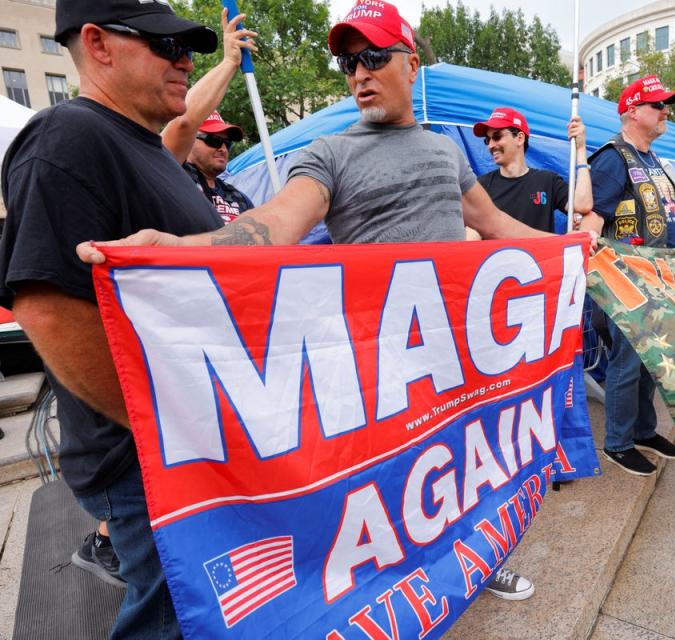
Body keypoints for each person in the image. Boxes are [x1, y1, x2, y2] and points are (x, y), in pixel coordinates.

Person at [78, 0, 581, 602]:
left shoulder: (448, 152)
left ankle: (479, 555)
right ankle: (400, 587)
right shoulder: (329, 153)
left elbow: (496, 223)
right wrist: (181, 249)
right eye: (347, 63)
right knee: (398, 487)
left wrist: (571, 248)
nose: (359, 73)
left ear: (409, 62)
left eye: (372, 56)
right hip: (385, 368)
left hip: (460, 360)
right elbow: (277, 224)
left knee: (464, 471)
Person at [0, 0, 226, 636]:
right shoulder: (70, 135)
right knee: (172, 618)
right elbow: (43, 307)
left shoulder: (145, 145)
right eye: (165, 45)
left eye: (189, 47)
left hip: (184, 447)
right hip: (150, 461)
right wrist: (158, 430)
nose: (185, 60)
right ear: (97, 44)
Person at [576, 74, 675, 476]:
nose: (666, 111)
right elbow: (592, 213)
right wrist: (587, 241)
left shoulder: (651, 160)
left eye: (666, 105)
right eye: (658, 105)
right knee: (627, 365)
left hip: (661, 282)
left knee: (654, 363)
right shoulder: (614, 157)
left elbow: (661, 213)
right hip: (626, 283)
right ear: (632, 111)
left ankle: (645, 431)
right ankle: (617, 442)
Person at [161, 12, 256, 222]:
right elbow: (184, 123)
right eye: (213, 140)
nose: (222, 148)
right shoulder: (174, 175)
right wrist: (230, 61)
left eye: (226, 143)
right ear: (190, 141)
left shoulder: (238, 198)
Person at [473, 107, 593, 232]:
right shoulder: (482, 185)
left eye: (497, 137)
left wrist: (580, 149)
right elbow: (472, 233)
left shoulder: (547, 181)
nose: (491, 145)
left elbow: (583, 205)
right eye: (487, 139)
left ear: (520, 138)